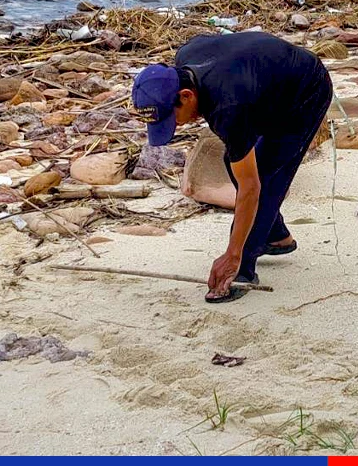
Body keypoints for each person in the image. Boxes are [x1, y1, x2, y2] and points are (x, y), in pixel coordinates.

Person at [131, 31, 332, 303]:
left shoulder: (228, 106)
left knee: (264, 175)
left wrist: (233, 253)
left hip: (306, 92)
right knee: (233, 160)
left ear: (186, 95)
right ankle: (276, 236)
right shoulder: (186, 58)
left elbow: (251, 187)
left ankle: (242, 271)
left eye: (172, 118)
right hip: (266, 90)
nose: (176, 125)